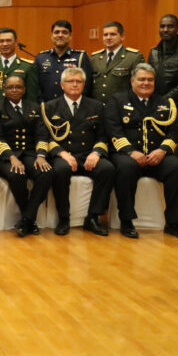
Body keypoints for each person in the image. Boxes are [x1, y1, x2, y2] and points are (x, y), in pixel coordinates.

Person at [104, 64, 178, 240]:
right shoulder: (118, 100)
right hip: (127, 155)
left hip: (157, 156)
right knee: (125, 168)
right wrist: (131, 152)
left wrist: (162, 150)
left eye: (150, 79)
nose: (146, 83)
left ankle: (174, 223)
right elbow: (113, 130)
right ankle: (127, 220)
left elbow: (175, 132)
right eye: (141, 79)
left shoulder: (166, 103)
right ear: (132, 81)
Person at [42, 67, 114, 236]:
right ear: (61, 85)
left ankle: (93, 217)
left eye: (78, 81)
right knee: (60, 170)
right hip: (63, 154)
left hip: (87, 154)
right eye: (70, 81)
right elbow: (45, 137)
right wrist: (62, 153)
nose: (74, 84)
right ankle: (64, 218)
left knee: (107, 169)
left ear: (84, 84)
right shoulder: (50, 107)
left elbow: (103, 136)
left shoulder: (96, 106)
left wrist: (96, 152)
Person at [0, 75, 53, 237]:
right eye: (10, 87)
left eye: (18, 87)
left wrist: (41, 155)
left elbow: (42, 135)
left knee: (46, 173)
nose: (14, 90)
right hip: (5, 155)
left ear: (24, 90)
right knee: (17, 175)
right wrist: (11, 156)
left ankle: (26, 219)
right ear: (5, 90)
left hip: (30, 153)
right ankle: (29, 218)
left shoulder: (35, 107)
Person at [148, 14, 178, 164]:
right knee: (155, 151)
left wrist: (163, 101)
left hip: (176, 110)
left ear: (177, 29)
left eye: (170, 26)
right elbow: (149, 80)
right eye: (162, 26)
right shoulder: (154, 52)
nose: (165, 29)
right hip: (155, 109)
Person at [34, 20, 93, 102]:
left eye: (64, 32)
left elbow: (86, 86)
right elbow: (35, 87)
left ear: (70, 36)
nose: (60, 35)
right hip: (46, 107)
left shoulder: (80, 57)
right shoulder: (41, 58)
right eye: (56, 32)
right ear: (51, 35)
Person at [90, 21, 144, 105]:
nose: (108, 37)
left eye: (113, 34)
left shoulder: (133, 57)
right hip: (98, 108)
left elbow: (139, 87)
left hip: (121, 108)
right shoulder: (95, 58)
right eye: (105, 35)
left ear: (122, 37)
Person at [0, 28, 39, 103]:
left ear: (16, 42)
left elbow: (31, 97)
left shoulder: (28, 66)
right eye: (1, 41)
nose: (5, 44)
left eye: (8, 40)